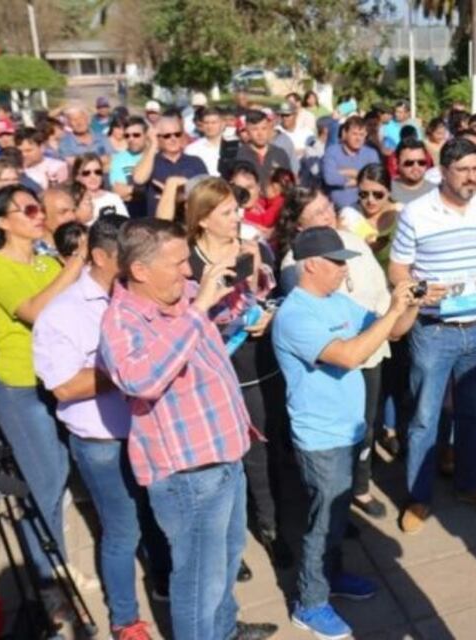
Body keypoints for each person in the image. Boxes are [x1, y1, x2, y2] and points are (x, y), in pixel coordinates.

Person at [99, 218, 277, 640]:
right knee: (199, 581)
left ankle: (225, 629)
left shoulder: (184, 295)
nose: (187, 271)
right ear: (140, 270)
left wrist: (238, 288)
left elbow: (225, 316)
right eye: (178, 262)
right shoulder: (121, 321)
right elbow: (141, 379)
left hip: (226, 453)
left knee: (229, 560)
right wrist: (198, 312)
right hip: (188, 476)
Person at [272, 227, 421, 639]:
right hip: (320, 438)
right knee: (322, 522)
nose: (344, 269)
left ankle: (331, 577)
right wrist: (392, 312)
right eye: (337, 262)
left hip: (347, 429)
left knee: (336, 515)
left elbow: (391, 332)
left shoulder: (338, 301)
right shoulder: (295, 315)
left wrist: (410, 306)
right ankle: (310, 603)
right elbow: (351, 355)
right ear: (312, 264)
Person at [33, 215, 169, 639]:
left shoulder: (138, 295)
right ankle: (125, 619)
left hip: (150, 430)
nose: (134, 264)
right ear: (98, 255)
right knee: (121, 530)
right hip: (102, 444)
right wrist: (125, 370)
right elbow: (64, 387)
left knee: (158, 518)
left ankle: (164, 584)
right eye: (125, 255)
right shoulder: (62, 314)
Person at [388, 137, 476, 535]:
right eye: (464, 170)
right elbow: (397, 271)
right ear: (443, 172)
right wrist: (421, 290)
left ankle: (467, 484)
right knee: (425, 419)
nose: (473, 178)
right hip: (433, 332)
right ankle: (418, 498)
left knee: (472, 414)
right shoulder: (415, 213)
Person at [0, 185, 85, 616]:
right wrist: (75, 263)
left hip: (58, 381)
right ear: (3, 221)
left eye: (39, 207)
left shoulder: (44, 261)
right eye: (29, 208)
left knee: (57, 481)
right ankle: (48, 584)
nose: (39, 214)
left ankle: (55, 568)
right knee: (43, 485)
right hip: (20, 387)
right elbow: (36, 311)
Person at [184, 178, 291, 578]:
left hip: (259, 364)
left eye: (237, 210)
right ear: (203, 219)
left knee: (266, 452)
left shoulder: (254, 247)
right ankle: (231, 543)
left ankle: (271, 526)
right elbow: (184, 321)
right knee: (224, 460)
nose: (238, 218)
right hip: (215, 372)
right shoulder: (186, 261)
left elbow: (271, 297)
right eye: (227, 212)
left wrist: (268, 312)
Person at [277, 187, 394, 515]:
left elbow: (379, 289)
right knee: (338, 445)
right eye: (317, 214)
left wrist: (392, 313)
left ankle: (359, 486)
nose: (328, 215)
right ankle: (331, 509)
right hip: (336, 366)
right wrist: (377, 325)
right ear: (299, 225)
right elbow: (329, 328)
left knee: (366, 424)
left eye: (328, 207)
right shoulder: (296, 266)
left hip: (370, 346)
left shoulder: (353, 241)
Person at [132, 114, 208, 217]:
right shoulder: (151, 162)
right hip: (158, 226)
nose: (173, 139)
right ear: (158, 138)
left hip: (188, 225)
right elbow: (139, 179)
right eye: (167, 136)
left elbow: (207, 194)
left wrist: (176, 195)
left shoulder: (195, 162)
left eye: (177, 134)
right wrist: (153, 144)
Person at [338, 163, 400, 268]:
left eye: (378, 195)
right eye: (364, 194)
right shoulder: (348, 217)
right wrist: (363, 248)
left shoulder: (402, 213)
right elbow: (341, 259)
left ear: (389, 192)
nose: (370, 200)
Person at [322, 115, 379, 209]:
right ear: (344, 133)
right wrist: (356, 175)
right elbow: (330, 178)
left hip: (364, 207)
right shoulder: (332, 151)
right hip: (338, 208)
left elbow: (375, 180)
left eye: (362, 135)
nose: (358, 139)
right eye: (355, 134)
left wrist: (352, 173)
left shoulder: (371, 154)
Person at [236, 110, 292, 185]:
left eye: (264, 128)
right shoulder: (240, 156)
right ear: (247, 131)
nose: (260, 134)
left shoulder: (280, 154)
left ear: (269, 129)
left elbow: (288, 183)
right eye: (255, 129)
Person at [110, 116, 150, 219]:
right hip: (131, 214)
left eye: (136, 135)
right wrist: (146, 191)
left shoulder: (155, 156)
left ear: (146, 135)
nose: (131, 139)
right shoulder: (119, 159)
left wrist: (130, 189)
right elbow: (119, 192)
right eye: (127, 136)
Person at [73, 153, 129, 221]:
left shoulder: (113, 198)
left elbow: (125, 224)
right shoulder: (72, 202)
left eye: (98, 172)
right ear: (77, 176)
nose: (93, 177)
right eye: (86, 173)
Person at [390, 138, 434, 205]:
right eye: (409, 163)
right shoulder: (385, 192)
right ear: (396, 163)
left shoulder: (436, 192)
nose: (416, 167)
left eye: (421, 162)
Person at [185, 106, 224, 177]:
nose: (210, 126)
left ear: (222, 124)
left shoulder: (233, 145)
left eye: (214, 122)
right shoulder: (192, 150)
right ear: (202, 125)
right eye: (206, 123)